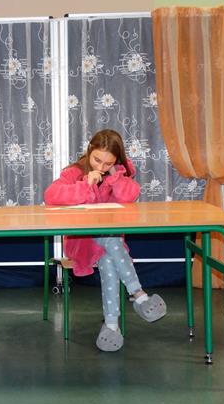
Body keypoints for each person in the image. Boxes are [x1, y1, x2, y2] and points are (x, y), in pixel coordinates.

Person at [44, 129, 167, 352]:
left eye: (108, 163)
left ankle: (111, 327)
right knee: (111, 241)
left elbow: (129, 196)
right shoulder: (74, 172)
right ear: (89, 151)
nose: (101, 167)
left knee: (109, 256)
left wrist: (115, 175)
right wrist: (84, 185)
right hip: (82, 243)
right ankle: (138, 295)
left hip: (110, 245)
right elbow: (51, 195)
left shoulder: (119, 173)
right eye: (97, 160)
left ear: (116, 160)